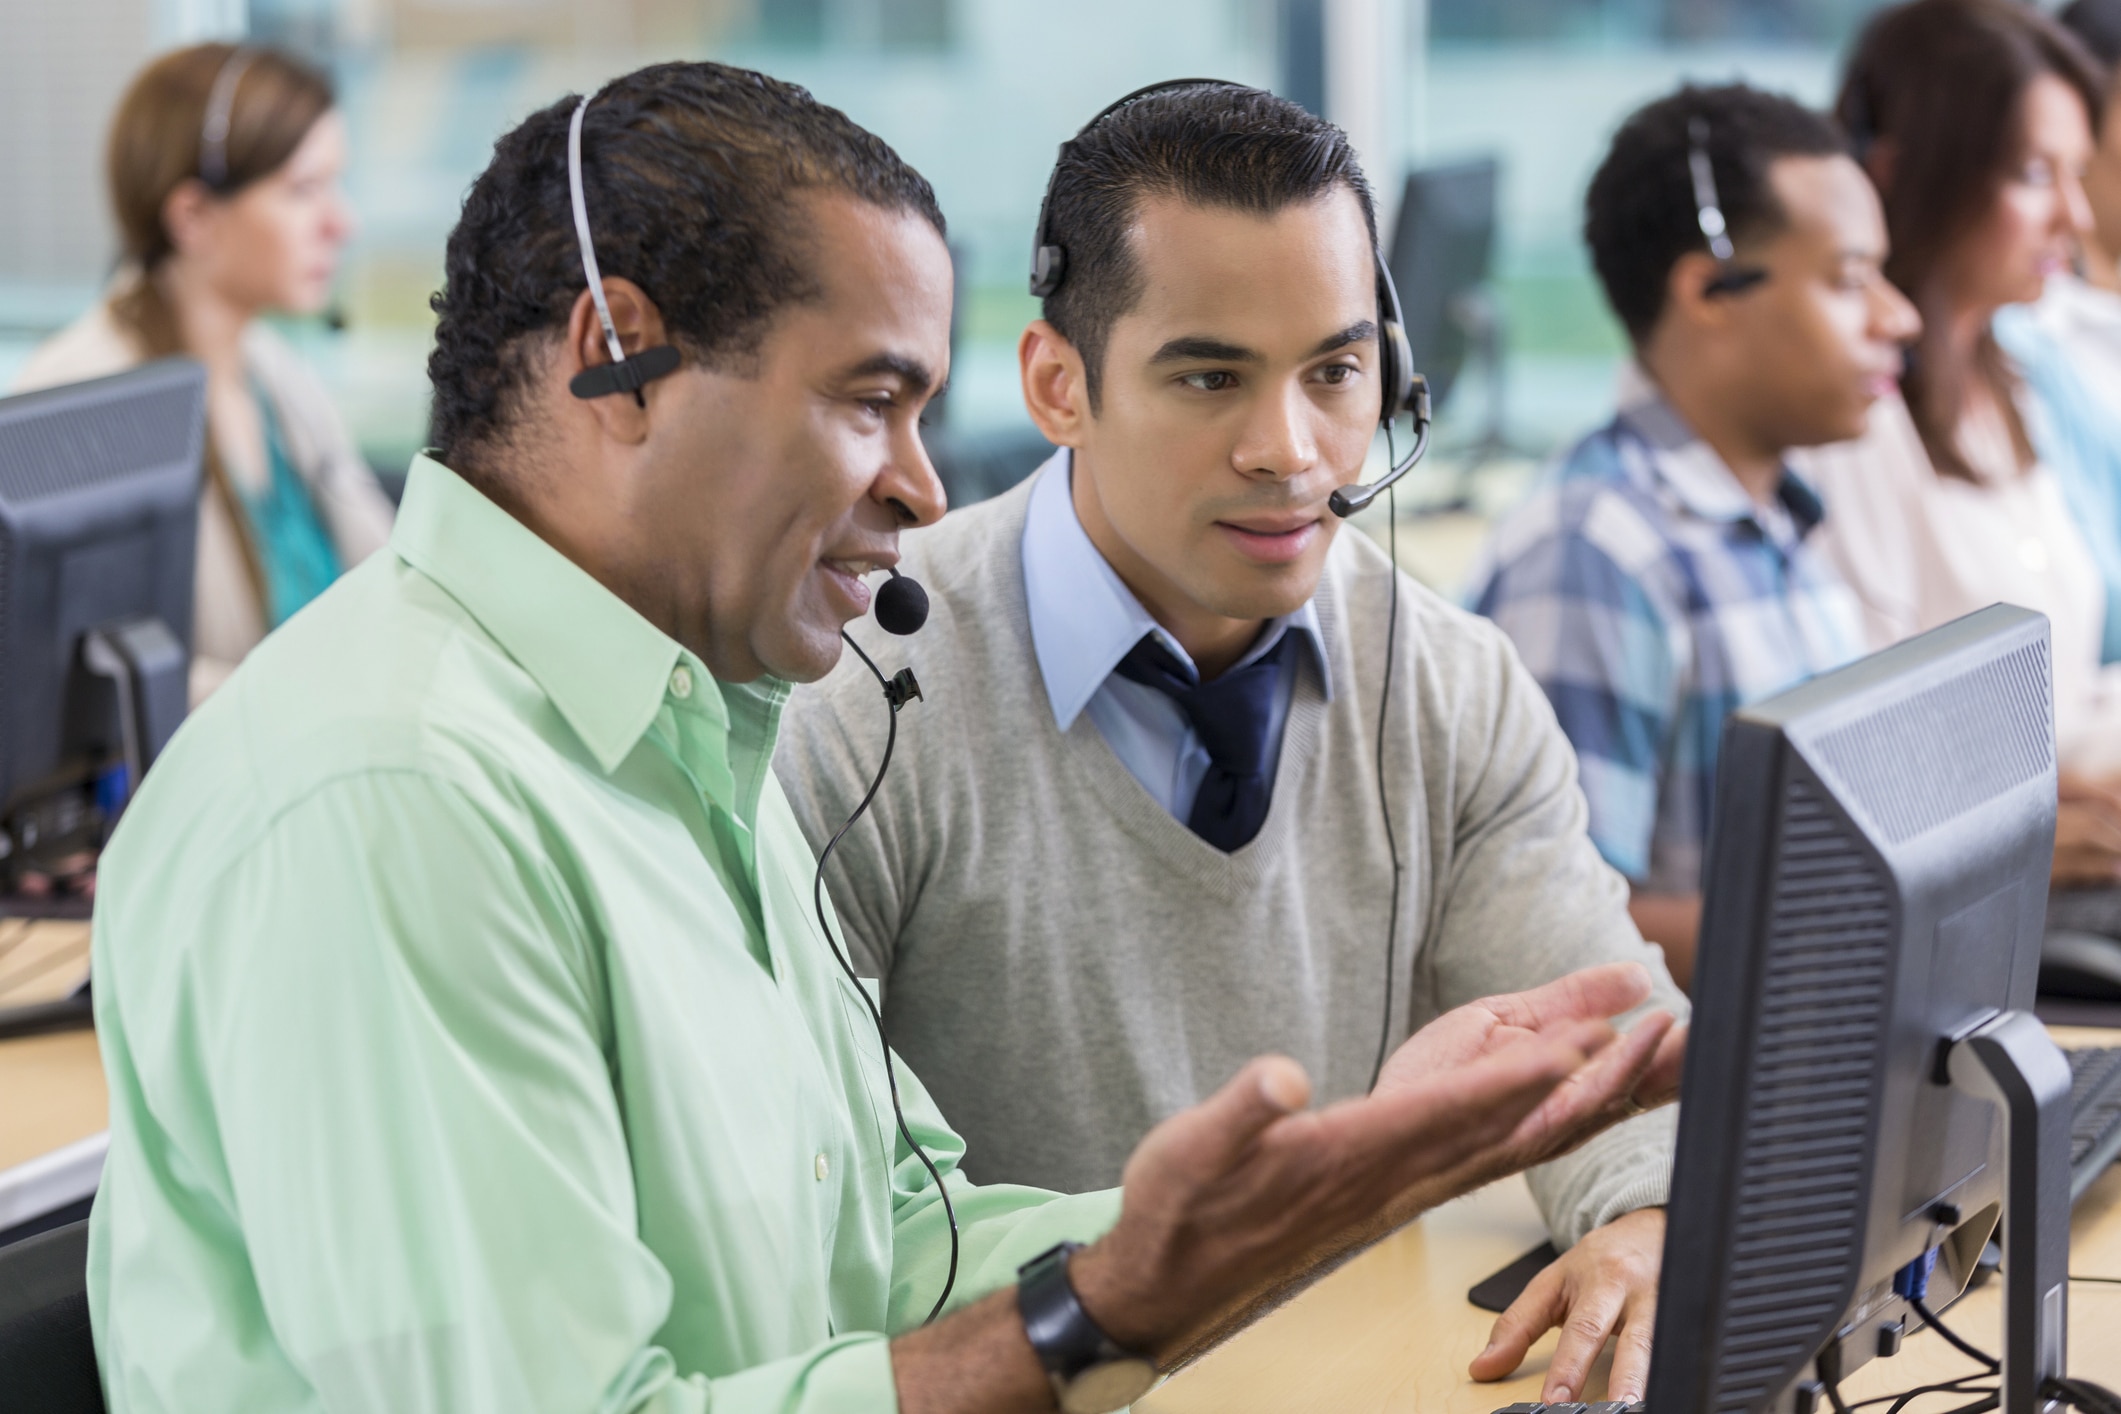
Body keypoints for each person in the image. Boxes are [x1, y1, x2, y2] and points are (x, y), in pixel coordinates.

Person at [89, 62, 1682, 1414]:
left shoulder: (690, 734)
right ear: (612, 354)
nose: (924, 490)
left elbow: (897, 1245)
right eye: (869, 402)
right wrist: (1100, 1309)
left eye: (1338, 372)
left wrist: (1281, 1201)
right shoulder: (397, 796)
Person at [776, 81, 1689, 1406]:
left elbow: (1612, 1039)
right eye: (1210, 375)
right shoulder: (861, 698)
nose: (1293, 451)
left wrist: (1645, 1223)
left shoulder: (1446, 683)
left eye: (1335, 371)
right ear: (1057, 384)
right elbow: (829, 1220)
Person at [1466, 84, 1919, 990]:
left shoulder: (1776, 519)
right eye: (1847, 279)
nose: (1896, 316)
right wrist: (1865, 936)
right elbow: (1554, 930)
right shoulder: (1595, 553)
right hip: (1687, 1109)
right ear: (1709, 290)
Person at [1792, 0, 2121, 885]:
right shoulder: (1849, 420)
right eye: (2032, 174)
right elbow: (1854, 754)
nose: (2074, 219)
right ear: (1915, 173)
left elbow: (2071, 681)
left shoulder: (2012, 385)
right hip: (1986, 889)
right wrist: (2042, 820)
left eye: (2075, 174)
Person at [13, 43, 394, 704]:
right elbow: (76, 688)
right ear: (193, 216)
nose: (342, 223)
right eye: (304, 191)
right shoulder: (76, 403)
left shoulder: (276, 373)